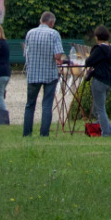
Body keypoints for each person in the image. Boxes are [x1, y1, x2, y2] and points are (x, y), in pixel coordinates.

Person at [22, 11, 62, 139]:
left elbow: (26, 53)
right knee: (47, 104)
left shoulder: (30, 33)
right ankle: (44, 133)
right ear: (51, 22)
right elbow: (57, 55)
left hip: (33, 73)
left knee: (30, 105)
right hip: (49, 73)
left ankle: (27, 133)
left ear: (41, 20)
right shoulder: (54, 33)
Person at [84, 26, 111, 137]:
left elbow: (88, 62)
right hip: (109, 80)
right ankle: (104, 126)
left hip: (99, 79)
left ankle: (107, 132)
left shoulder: (99, 49)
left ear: (96, 37)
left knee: (100, 109)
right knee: (98, 107)